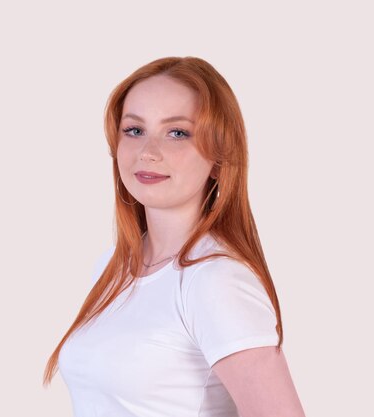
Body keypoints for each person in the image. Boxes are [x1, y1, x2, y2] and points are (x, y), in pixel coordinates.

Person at [42, 57, 306, 417]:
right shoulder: (112, 267)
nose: (148, 152)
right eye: (134, 130)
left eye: (177, 133)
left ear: (219, 159)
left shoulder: (214, 279)